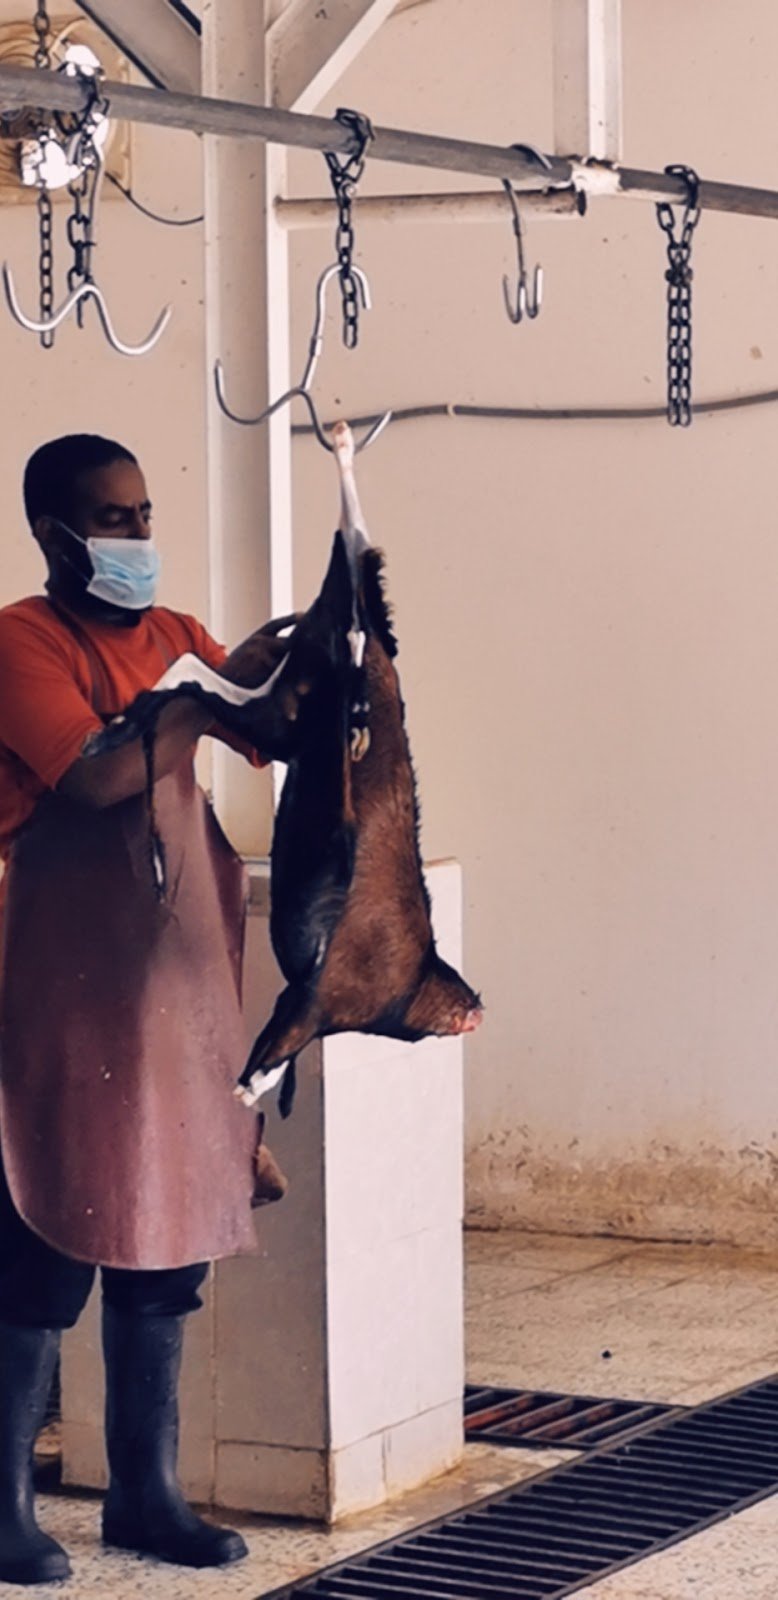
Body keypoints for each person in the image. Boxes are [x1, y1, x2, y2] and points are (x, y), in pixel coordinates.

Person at [0, 434, 290, 1585]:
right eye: (112, 518)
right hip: (58, 992)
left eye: (143, 513)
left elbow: (264, 725)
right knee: (40, 1248)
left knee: (163, 1239)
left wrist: (317, 659)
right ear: (55, 533)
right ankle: (4, 1508)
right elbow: (94, 774)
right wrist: (202, 695)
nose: (136, 535)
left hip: (171, 1000)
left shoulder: (174, 635)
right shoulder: (23, 641)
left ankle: (145, 1495)